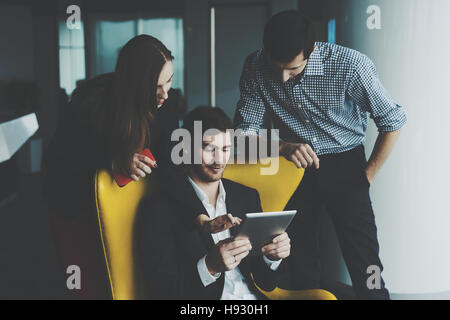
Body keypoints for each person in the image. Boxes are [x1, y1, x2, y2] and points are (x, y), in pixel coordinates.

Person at [234, 10, 407, 299]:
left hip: (346, 161)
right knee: (298, 255)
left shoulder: (351, 66)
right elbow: (242, 134)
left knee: (364, 258)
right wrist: (281, 147)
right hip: (293, 165)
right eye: (276, 68)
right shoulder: (255, 65)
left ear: (312, 50)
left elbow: (393, 121)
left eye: (293, 69)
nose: (283, 77)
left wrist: (366, 176)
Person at [137, 106, 291, 299]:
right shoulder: (158, 209)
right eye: (209, 148)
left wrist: (273, 258)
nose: (219, 159)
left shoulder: (246, 196)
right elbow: (162, 291)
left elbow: (266, 283)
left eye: (225, 149)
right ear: (186, 147)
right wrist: (209, 266)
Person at [44, 35, 180, 217]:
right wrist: (114, 162)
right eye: (156, 87)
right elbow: (58, 160)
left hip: (141, 206)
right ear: (135, 83)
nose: (165, 95)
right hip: (84, 206)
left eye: (169, 80)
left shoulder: (168, 104)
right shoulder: (91, 101)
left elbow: (170, 165)